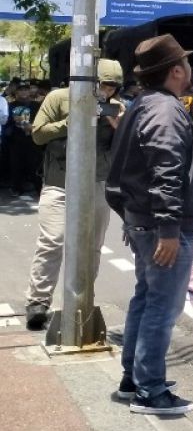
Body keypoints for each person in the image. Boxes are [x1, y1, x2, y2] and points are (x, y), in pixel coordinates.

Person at [105, 34, 193, 415]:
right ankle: (150, 390)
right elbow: (166, 171)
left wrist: (134, 220)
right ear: (176, 71)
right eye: (186, 66)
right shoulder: (165, 110)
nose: (191, 74)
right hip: (163, 226)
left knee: (146, 299)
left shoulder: (141, 105)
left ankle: (134, 379)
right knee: (162, 309)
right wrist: (167, 228)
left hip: (143, 220)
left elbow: (121, 175)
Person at [23, 59, 125, 331]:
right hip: (59, 181)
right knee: (52, 240)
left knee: (92, 244)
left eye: (113, 86)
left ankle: (82, 299)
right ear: (92, 81)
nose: (108, 90)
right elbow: (38, 135)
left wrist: (120, 128)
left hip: (96, 182)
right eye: (104, 84)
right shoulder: (58, 98)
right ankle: (38, 301)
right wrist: (73, 122)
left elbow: (128, 146)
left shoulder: (117, 107)